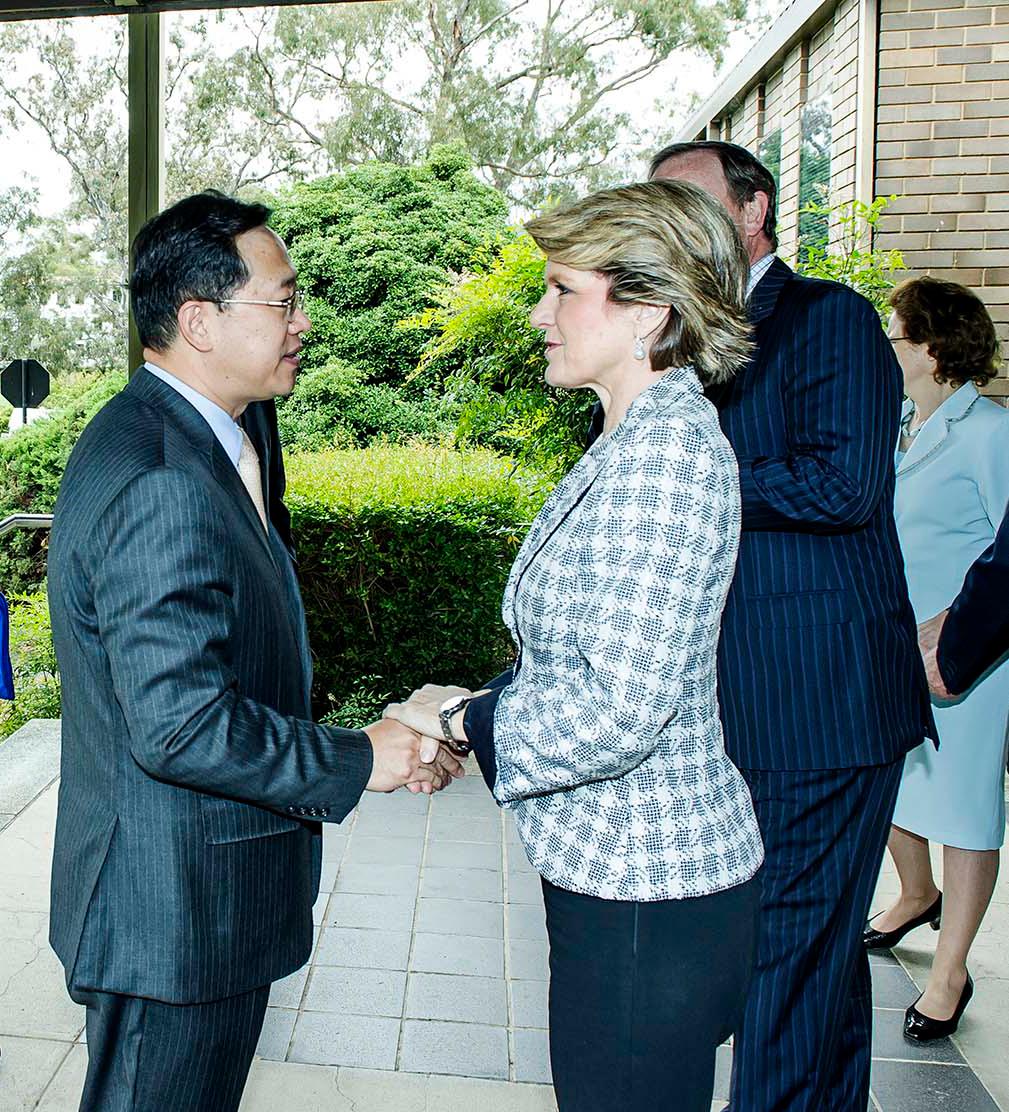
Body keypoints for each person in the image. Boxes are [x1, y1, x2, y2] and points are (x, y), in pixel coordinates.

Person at [46, 190, 461, 1112]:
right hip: (171, 913)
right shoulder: (159, 474)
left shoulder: (215, 433)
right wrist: (363, 756)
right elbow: (181, 725)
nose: (302, 322)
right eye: (283, 301)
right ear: (199, 320)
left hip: (194, 896)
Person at [387, 179, 765, 1112]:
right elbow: (585, 654)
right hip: (626, 882)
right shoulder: (632, 435)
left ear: (647, 310)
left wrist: (463, 721)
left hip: (648, 892)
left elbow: (617, 710)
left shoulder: (666, 454)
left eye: (562, 289)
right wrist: (467, 702)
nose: (537, 313)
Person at [646, 141, 935, 1112]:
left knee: (777, 956)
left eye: (689, 201)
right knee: (813, 964)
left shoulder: (829, 320)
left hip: (820, 705)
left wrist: (683, 473)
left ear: (754, 206)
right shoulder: (682, 339)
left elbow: (844, 484)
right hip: (742, 708)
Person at [863, 277, 1008, 1042]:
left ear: (932, 346)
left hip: (967, 660)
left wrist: (950, 626)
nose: (888, 347)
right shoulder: (893, 424)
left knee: (963, 806)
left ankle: (950, 972)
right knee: (890, 775)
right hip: (887, 642)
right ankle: (914, 894)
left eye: (895, 334)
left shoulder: (990, 434)